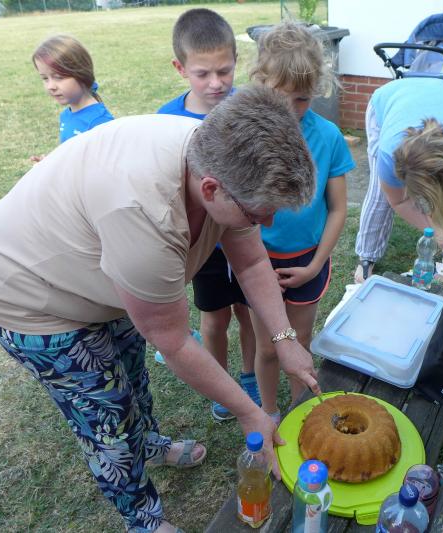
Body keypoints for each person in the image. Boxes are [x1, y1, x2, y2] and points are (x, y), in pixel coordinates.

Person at [0, 85, 320, 533]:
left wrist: (284, 340)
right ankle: (143, 519)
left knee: (131, 370)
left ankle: (147, 442)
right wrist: (251, 413)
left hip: (96, 268)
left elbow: (249, 262)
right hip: (24, 290)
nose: (266, 223)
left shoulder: (218, 156)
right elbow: (173, 342)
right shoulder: (144, 212)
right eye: (257, 214)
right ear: (211, 189)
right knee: (106, 412)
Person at [156, 8, 261, 422]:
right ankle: (222, 384)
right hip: (203, 246)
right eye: (203, 74)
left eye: (225, 70)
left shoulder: (247, 110)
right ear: (180, 68)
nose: (216, 82)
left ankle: (249, 376)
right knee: (214, 318)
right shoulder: (166, 120)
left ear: (236, 60)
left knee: (249, 313)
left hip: (245, 238)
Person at [248, 22, 355, 423]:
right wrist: (257, 264)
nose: (292, 109)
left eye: (303, 99)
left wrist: (314, 265)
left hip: (309, 259)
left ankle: (299, 414)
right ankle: (270, 412)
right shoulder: (248, 135)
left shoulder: (328, 137)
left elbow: (338, 209)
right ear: (261, 83)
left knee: (300, 340)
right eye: (281, 96)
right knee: (268, 347)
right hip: (258, 261)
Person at [353, 76, 443, 283]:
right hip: (390, 98)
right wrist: (435, 230)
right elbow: (398, 201)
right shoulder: (389, 155)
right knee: (380, 193)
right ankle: (367, 257)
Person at [30, 34, 113, 162]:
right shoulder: (66, 115)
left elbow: (108, 167)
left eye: (58, 77)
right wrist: (50, 163)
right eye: (45, 78)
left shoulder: (100, 123)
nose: (51, 86)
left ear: (81, 74)